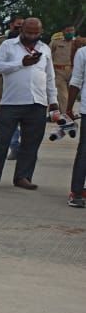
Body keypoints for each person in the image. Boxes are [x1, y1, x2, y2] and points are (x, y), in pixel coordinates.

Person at [0, 18, 61, 191]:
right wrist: (20, 63)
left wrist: (53, 102)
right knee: (2, 140)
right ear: (22, 30)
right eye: (29, 32)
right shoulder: (8, 45)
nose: (32, 36)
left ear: (41, 32)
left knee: (31, 142)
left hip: (37, 103)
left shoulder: (44, 48)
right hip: (12, 102)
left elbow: (50, 77)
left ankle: (22, 176)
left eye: (36, 33)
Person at [0, 15, 24, 137]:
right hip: (2, 75)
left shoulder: (25, 39)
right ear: (11, 25)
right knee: (0, 98)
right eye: (17, 24)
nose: (19, 27)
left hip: (18, 75)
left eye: (22, 25)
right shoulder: (1, 40)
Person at [67, 40, 86, 207]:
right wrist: (69, 108)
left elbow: (76, 81)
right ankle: (77, 191)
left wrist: (69, 108)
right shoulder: (83, 53)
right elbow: (76, 81)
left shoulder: (83, 53)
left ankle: (79, 191)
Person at [50, 25, 76, 113]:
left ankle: (68, 112)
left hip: (73, 71)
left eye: (72, 30)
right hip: (59, 72)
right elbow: (48, 54)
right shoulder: (56, 42)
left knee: (72, 94)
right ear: (63, 32)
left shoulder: (77, 42)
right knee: (63, 96)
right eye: (68, 31)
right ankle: (66, 115)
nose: (70, 32)